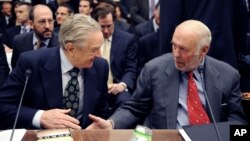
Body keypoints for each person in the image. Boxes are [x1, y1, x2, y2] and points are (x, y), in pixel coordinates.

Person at [86, 20, 247, 129]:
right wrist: (112, 123)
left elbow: (238, 122)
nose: (176, 54)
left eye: (183, 49)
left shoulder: (228, 75)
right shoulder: (154, 69)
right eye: (173, 46)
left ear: (204, 50)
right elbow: (135, 107)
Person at [0, 14, 109, 130]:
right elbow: (3, 105)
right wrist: (40, 117)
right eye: (94, 50)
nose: (99, 54)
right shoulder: (31, 63)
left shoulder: (100, 66)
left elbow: (102, 111)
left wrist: (98, 126)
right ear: (71, 48)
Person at [92, 2, 137, 114]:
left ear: (115, 22)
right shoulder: (89, 40)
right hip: (95, 87)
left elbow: (131, 69)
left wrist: (123, 85)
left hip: (118, 87)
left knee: (125, 101)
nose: (106, 31)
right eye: (102, 27)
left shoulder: (128, 40)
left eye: (109, 26)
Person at [11, 4, 59, 69]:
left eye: (50, 21)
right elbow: (16, 70)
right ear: (31, 24)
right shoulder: (19, 41)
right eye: (42, 22)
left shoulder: (61, 44)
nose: (47, 26)